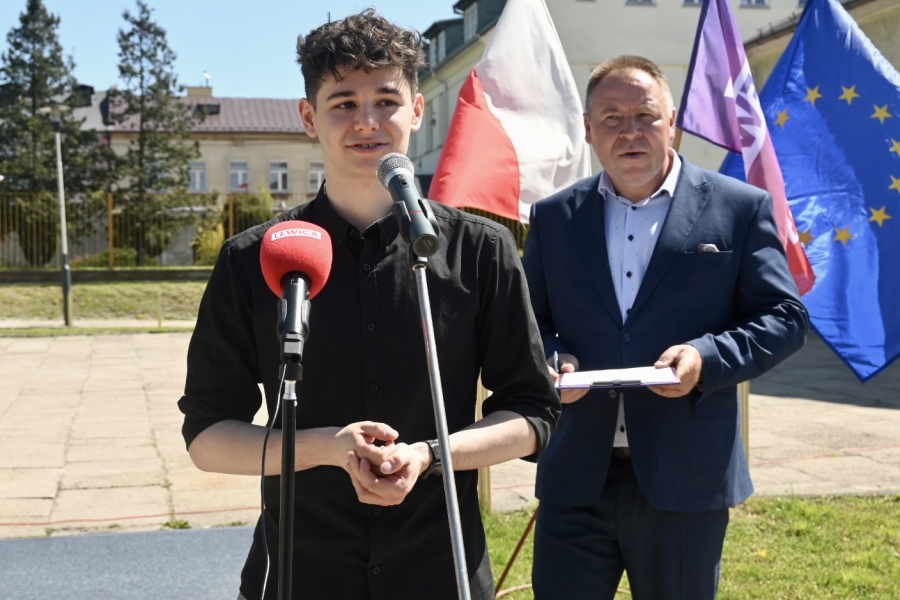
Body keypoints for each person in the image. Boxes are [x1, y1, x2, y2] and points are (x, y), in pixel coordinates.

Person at [177, 10, 559, 600]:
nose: (367, 122)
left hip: (441, 569)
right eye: (343, 103)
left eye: (386, 100)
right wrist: (324, 448)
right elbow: (206, 438)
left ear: (417, 110)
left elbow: (533, 416)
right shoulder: (251, 258)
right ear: (309, 117)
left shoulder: (482, 250)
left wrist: (429, 456)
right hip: (301, 573)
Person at [522, 55, 808, 600]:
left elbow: (785, 318)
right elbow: (529, 322)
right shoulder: (555, 217)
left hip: (686, 476)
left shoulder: (739, 208)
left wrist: (706, 358)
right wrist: (552, 358)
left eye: (645, 115)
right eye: (611, 118)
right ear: (588, 129)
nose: (629, 132)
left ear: (672, 121)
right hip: (575, 474)